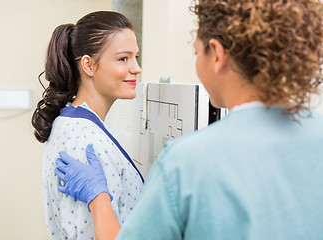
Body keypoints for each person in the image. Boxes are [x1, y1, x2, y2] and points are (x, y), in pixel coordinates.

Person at [55, 0, 323, 239]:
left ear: (216, 54)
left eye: (197, 52)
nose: (136, 67)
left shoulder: (186, 162)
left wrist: (98, 197)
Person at [31, 11, 144, 240]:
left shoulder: (72, 121)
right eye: (124, 58)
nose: (136, 68)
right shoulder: (87, 143)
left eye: (136, 57)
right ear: (89, 65)